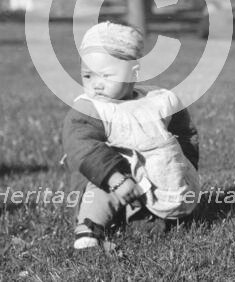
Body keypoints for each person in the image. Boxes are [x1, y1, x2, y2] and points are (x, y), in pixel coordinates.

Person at [61, 21, 200, 250]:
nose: (96, 85)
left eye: (105, 75)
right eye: (87, 76)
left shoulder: (159, 101)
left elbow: (185, 133)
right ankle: (89, 227)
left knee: (160, 197)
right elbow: (82, 147)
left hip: (151, 178)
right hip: (106, 178)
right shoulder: (90, 110)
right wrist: (117, 180)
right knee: (100, 192)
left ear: (134, 72)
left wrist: (184, 166)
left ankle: (153, 218)